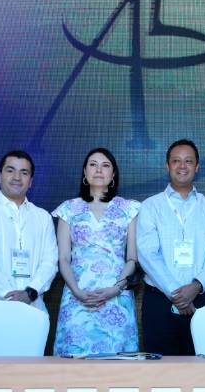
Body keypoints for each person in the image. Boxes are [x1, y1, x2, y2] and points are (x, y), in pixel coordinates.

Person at [137, 139, 205, 355]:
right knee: (160, 369)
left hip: (202, 300)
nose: (182, 166)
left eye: (188, 161)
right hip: (159, 302)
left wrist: (195, 286)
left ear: (197, 167)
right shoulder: (150, 206)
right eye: (176, 161)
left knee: (204, 367)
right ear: (167, 166)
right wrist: (177, 294)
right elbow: (148, 254)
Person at [52, 148, 139, 356]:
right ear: (85, 172)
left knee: (117, 365)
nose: (99, 170)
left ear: (113, 174)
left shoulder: (129, 208)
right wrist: (77, 291)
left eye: (105, 165)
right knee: (74, 363)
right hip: (77, 296)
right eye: (93, 164)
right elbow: (63, 258)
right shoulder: (68, 209)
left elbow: (132, 258)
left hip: (116, 296)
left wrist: (115, 289)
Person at [0, 150, 58, 312]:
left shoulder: (43, 217)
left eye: (24, 172)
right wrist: (8, 294)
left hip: (33, 310)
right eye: (10, 170)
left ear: (31, 181)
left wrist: (30, 292)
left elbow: (50, 262)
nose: (17, 177)